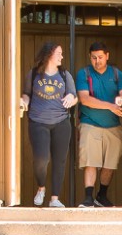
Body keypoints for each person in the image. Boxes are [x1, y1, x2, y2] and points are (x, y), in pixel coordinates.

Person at [20, 42, 78, 208]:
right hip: (38, 121)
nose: (62, 56)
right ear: (49, 54)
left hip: (61, 122)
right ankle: (41, 188)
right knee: (42, 159)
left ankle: (54, 199)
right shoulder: (34, 74)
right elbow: (26, 94)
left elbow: (74, 96)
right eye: (59, 53)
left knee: (60, 161)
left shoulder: (65, 75)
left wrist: (71, 99)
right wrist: (23, 101)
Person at [75, 42, 122, 208]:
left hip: (113, 125)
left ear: (107, 56)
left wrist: (121, 98)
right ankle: (88, 198)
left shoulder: (117, 74)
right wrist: (110, 106)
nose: (97, 61)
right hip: (89, 123)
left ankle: (101, 196)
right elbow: (85, 99)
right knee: (90, 161)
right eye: (94, 58)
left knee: (110, 163)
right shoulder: (84, 74)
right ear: (89, 57)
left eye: (100, 57)